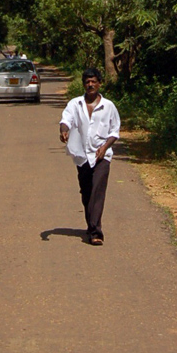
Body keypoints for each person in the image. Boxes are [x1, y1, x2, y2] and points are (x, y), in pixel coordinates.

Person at [59, 68, 120, 245]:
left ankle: (96, 232)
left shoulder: (109, 106)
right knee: (87, 193)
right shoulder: (75, 104)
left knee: (97, 191)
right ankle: (91, 224)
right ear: (83, 84)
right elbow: (66, 120)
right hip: (82, 156)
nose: (90, 85)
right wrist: (63, 131)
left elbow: (115, 131)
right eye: (87, 82)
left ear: (100, 83)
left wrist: (104, 147)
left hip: (102, 156)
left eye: (93, 81)